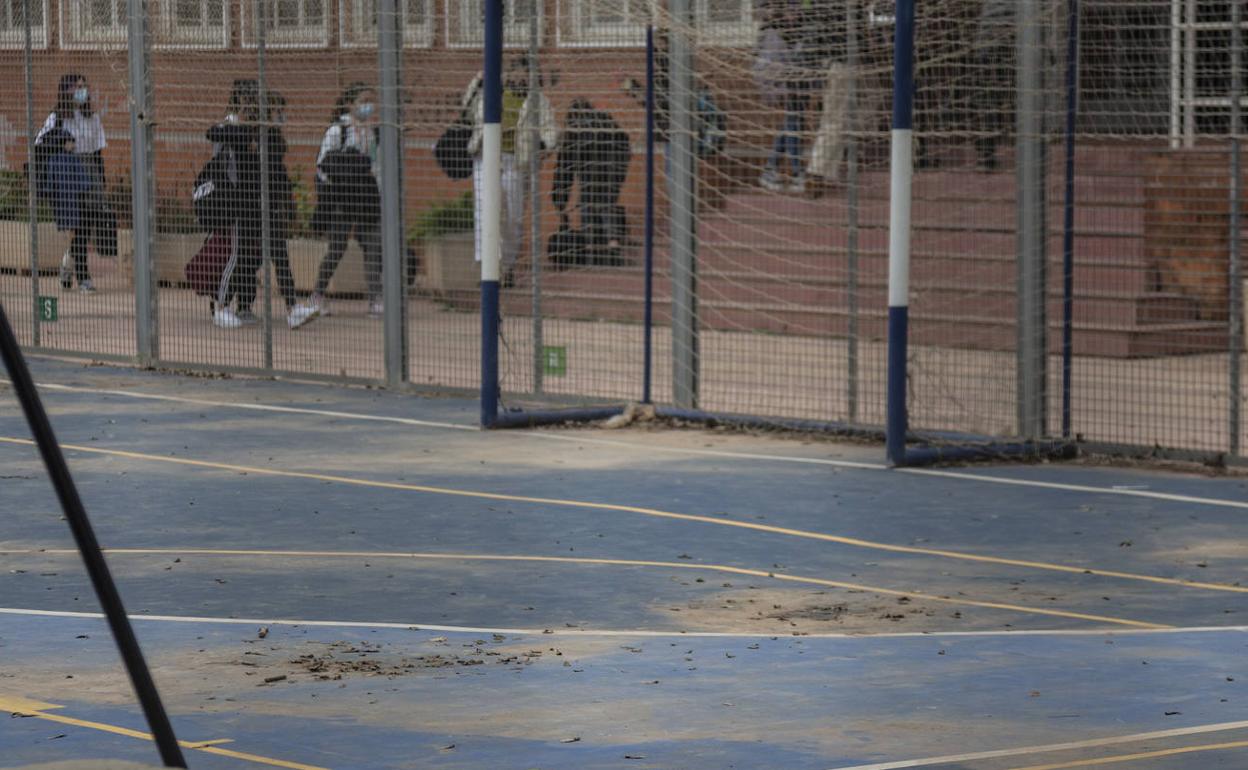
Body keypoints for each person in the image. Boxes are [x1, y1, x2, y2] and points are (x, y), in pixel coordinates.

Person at [463, 56, 557, 286]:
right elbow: (466, 109)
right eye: (517, 73)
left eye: (526, 74)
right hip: (487, 158)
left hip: (516, 161)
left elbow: (550, 130)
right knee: (485, 210)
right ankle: (488, 268)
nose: (521, 78)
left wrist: (544, 147)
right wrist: (478, 81)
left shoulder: (538, 101)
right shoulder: (491, 93)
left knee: (513, 217)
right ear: (509, 74)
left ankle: (507, 266)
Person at [309, 83, 383, 317]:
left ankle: (375, 298)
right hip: (343, 198)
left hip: (368, 199)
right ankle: (318, 295)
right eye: (363, 101)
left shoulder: (375, 131)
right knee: (337, 248)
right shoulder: (338, 131)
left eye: (371, 101)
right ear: (351, 104)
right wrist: (337, 185)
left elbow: (378, 167)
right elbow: (323, 164)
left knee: (373, 247)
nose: (368, 106)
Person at [36, 73, 112, 293]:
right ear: (66, 90)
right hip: (68, 174)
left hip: (90, 174)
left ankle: (67, 265)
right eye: (76, 87)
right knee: (76, 228)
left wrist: (101, 181)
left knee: (85, 228)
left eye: (84, 87)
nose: (82, 91)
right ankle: (84, 278)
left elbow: (98, 152)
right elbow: (40, 143)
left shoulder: (93, 118)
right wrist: (62, 143)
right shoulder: (57, 117)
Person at [206, 80, 264, 328]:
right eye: (248, 98)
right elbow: (213, 135)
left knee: (251, 254)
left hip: (252, 200)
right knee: (233, 253)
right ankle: (220, 305)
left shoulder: (259, 125)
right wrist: (241, 133)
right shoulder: (229, 124)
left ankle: (244, 304)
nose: (251, 104)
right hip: (232, 201)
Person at [262, 90, 319, 329]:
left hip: (272, 206)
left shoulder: (273, 137)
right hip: (257, 206)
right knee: (246, 258)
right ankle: (223, 304)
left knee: (279, 255)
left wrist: (288, 206)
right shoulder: (261, 137)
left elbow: (281, 177)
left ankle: (292, 308)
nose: (281, 116)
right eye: (278, 111)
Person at [551, 98, 631, 267]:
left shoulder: (573, 130)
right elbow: (624, 141)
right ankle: (612, 244)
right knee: (606, 205)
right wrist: (619, 173)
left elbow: (565, 167)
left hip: (591, 173)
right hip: (609, 171)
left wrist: (560, 199)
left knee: (588, 204)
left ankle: (589, 246)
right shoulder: (604, 120)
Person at [755, 0, 815, 194]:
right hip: (784, 83)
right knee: (793, 122)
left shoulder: (802, 28)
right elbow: (766, 65)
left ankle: (770, 169)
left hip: (799, 80)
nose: (793, 11)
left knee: (792, 122)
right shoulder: (773, 33)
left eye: (795, 7)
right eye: (790, 7)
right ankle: (797, 173)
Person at [806, 0, 853, 187]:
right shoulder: (836, 8)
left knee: (840, 121)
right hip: (840, 63)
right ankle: (816, 171)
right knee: (834, 120)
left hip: (841, 63)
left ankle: (825, 171)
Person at [42, 128, 93, 292]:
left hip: (62, 208)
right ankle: (80, 278)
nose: (73, 144)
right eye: (71, 141)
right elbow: (85, 184)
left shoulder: (52, 162)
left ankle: (66, 273)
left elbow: (50, 188)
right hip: (77, 206)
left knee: (74, 240)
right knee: (78, 242)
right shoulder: (73, 160)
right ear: (64, 143)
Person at [974, 0, 1014, 171]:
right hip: (999, 50)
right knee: (989, 101)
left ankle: (987, 154)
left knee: (992, 101)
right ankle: (987, 154)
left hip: (1002, 49)